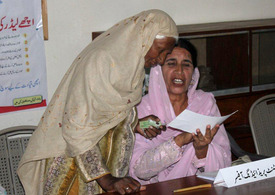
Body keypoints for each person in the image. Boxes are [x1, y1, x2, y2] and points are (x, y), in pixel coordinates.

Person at [17, 9, 178, 195]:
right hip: (74, 167)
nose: (161, 59)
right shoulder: (100, 61)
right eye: (161, 50)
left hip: (106, 168)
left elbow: (105, 117)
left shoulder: (133, 66)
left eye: (167, 53)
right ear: (144, 38)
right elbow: (77, 128)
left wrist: (135, 125)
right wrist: (106, 180)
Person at [129, 39, 231, 184]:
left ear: (193, 73)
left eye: (186, 65)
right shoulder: (142, 108)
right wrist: (181, 140)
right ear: (158, 71)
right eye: (171, 63)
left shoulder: (204, 103)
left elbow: (224, 162)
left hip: (198, 186)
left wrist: (201, 149)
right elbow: (139, 169)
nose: (179, 71)